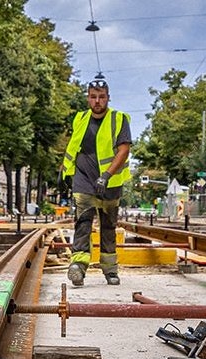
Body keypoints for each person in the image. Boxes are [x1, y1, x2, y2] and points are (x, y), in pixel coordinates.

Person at [61, 78, 131, 286]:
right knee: (82, 222)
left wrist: (107, 175)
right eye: (93, 97)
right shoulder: (80, 118)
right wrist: (64, 172)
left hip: (110, 183)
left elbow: (124, 150)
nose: (97, 101)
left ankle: (110, 270)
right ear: (88, 99)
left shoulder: (119, 119)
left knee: (108, 226)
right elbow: (74, 147)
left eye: (101, 97)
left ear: (108, 98)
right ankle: (78, 267)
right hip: (83, 179)